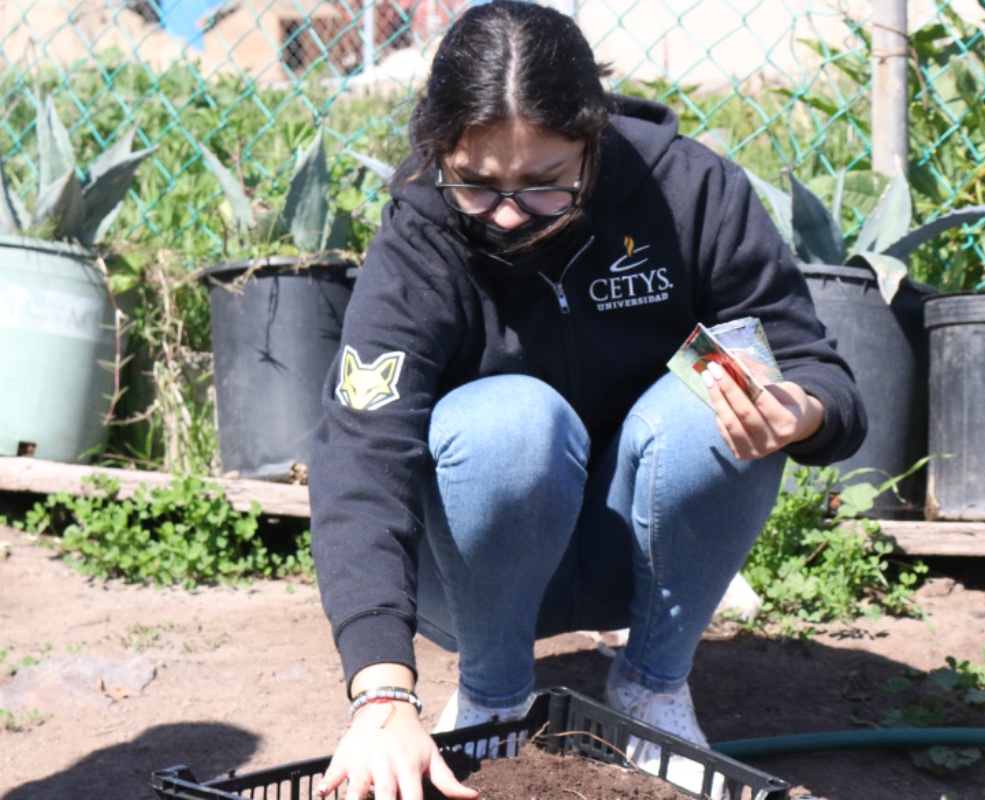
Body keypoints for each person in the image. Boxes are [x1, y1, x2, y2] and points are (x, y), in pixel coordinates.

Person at [308, 2, 867, 798]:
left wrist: (800, 411)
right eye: (477, 184)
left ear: (593, 135)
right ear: (439, 148)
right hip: (474, 559)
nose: (506, 213)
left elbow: (815, 365)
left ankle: (653, 686)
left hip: (640, 545)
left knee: (715, 391)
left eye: (543, 185)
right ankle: (492, 695)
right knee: (509, 421)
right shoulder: (422, 227)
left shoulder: (689, 189)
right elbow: (362, 451)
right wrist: (383, 689)